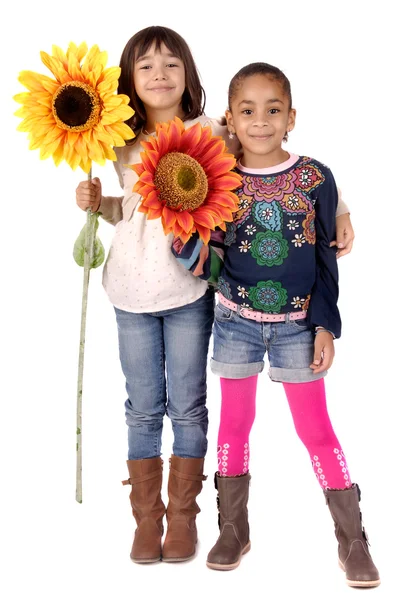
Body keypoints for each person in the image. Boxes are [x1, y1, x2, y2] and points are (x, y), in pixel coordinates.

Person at [75, 27, 355, 566]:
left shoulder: (214, 133)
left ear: (188, 74)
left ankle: (185, 519)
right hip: (131, 287)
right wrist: (97, 203)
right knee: (141, 408)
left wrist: (340, 211)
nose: (160, 75)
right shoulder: (117, 137)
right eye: (146, 66)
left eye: (171, 64)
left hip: (192, 290)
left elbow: (280, 163)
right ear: (129, 79)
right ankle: (148, 519)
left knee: (188, 403)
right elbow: (128, 210)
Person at [174, 62, 379, 586]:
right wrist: (187, 244)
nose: (260, 121)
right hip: (236, 320)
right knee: (234, 425)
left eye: (272, 110)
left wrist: (326, 325)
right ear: (230, 118)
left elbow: (326, 259)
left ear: (291, 117)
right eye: (247, 111)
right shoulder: (218, 179)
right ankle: (232, 528)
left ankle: (352, 538)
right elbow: (212, 255)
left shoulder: (315, 177)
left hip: (297, 327)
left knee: (316, 431)